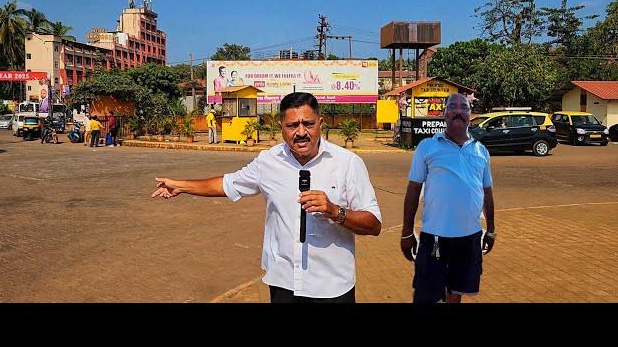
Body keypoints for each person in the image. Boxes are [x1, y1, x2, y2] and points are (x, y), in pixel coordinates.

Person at [151, 92, 382, 303]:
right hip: (283, 283)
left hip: (332, 287)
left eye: (308, 124)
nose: (301, 132)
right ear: (280, 127)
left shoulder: (347, 163)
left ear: (320, 123)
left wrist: (335, 211)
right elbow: (228, 184)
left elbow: (373, 224)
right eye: (292, 125)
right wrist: (181, 186)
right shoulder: (268, 161)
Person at [400, 92, 496, 304]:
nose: (459, 111)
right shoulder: (427, 147)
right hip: (434, 237)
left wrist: (491, 230)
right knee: (427, 296)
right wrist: (407, 233)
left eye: (464, 107)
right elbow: (413, 191)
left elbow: (487, 192)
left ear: (470, 114)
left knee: (456, 293)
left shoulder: (481, 151)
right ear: (444, 114)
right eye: (453, 106)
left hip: (470, 238)